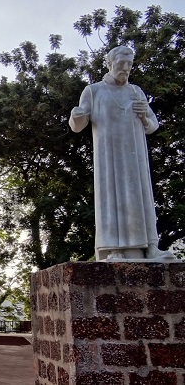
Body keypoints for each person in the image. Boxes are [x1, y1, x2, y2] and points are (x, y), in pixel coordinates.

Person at [69, 46, 175, 261]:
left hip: (135, 155)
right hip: (109, 157)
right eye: (121, 64)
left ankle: (151, 247)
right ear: (110, 64)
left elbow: (152, 125)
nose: (125, 69)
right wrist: (77, 115)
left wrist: (144, 114)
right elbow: (78, 125)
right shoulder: (93, 90)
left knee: (141, 197)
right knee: (111, 198)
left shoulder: (136, 91)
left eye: (129, 64)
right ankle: (113, 249)